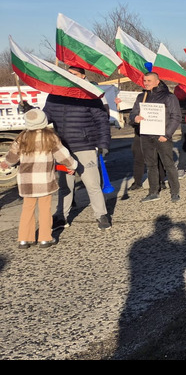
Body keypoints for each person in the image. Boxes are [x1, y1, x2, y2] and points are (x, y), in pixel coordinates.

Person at [43, 65, 112, 229]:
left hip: (85, 147)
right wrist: (31, 112)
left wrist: (103, 144)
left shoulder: (90, 95)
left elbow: (102, 122)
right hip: (62, 150)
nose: (69, 76)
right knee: (65, 186)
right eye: (68, 74)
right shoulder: (54, 95)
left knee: (92, 184)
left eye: (73, 74)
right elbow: (45, 117)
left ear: (82, 76)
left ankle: (101, 215)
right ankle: (61, 216)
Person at [1, 109, 77, 248]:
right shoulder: (50, 137)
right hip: (44, 180)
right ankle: (44, 238)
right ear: (44, 121)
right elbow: (63, 156)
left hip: (26, 181)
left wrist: (6, 162)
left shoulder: (22, 137)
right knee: (44, 209)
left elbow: (12, 158)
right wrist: (73, 165)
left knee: (27, 209)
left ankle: (24, 239)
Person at [130, 72, 183, 203]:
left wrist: (167, 134)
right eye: (144, 80)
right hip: (146, 136)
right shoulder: (142, 97)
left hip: (162, 136)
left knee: (168, 164)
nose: (146, 83)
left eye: (149, 80)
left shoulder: (168, 97)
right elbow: (132, 114)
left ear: (157, 81)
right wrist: (135, 118)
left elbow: (176, 117)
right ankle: (153, 191)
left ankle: (175, 192)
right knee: (151, 165)